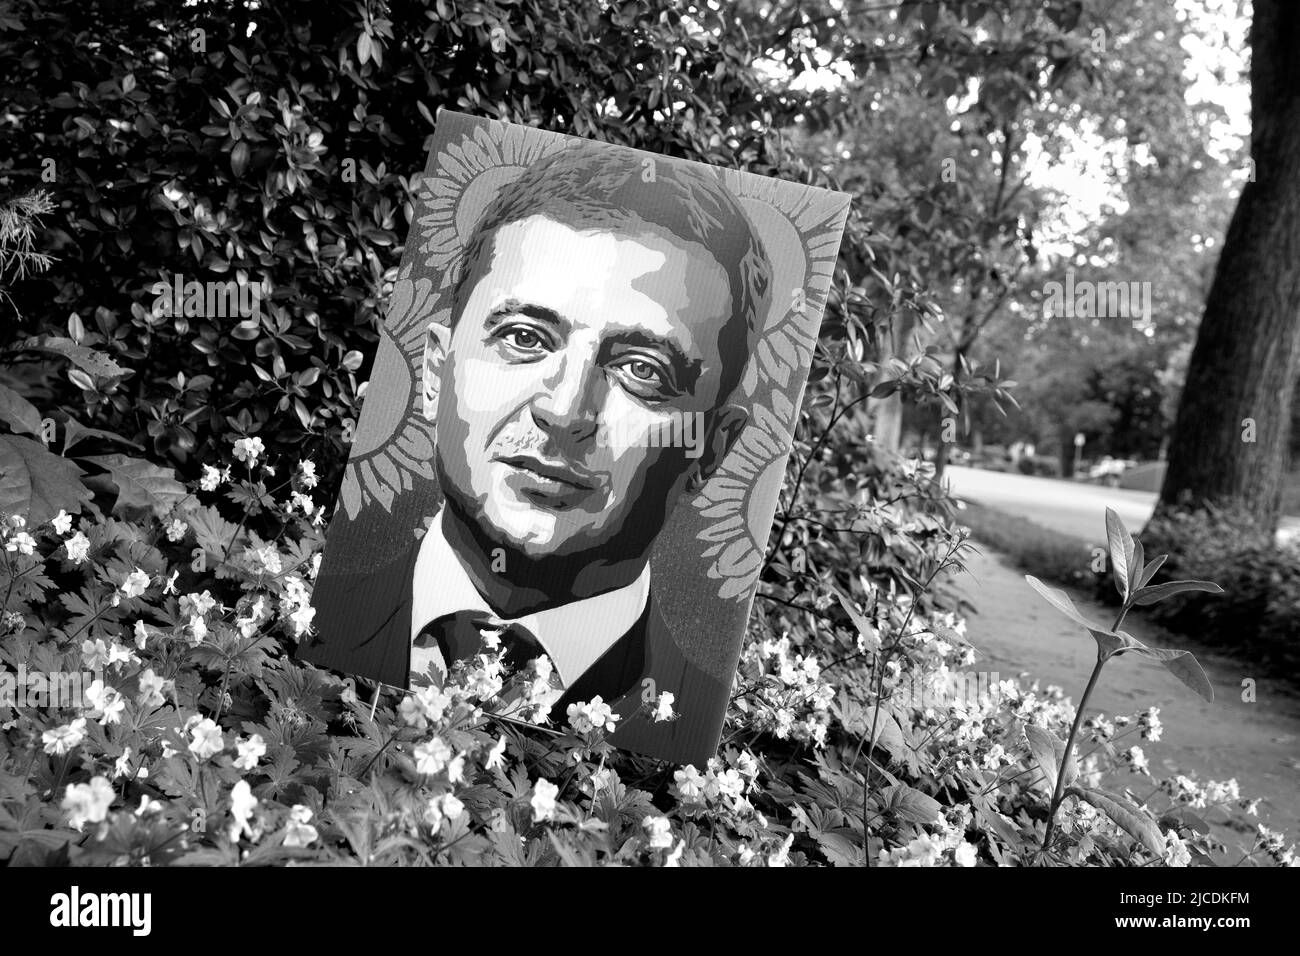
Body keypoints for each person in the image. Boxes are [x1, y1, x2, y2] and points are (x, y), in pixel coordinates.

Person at [300, 139, 771, 765]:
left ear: (712, 449)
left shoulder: (702, 743)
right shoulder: (293, 620)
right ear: (437, 372)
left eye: (641, 369)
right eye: (523, 337)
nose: (566, 412)